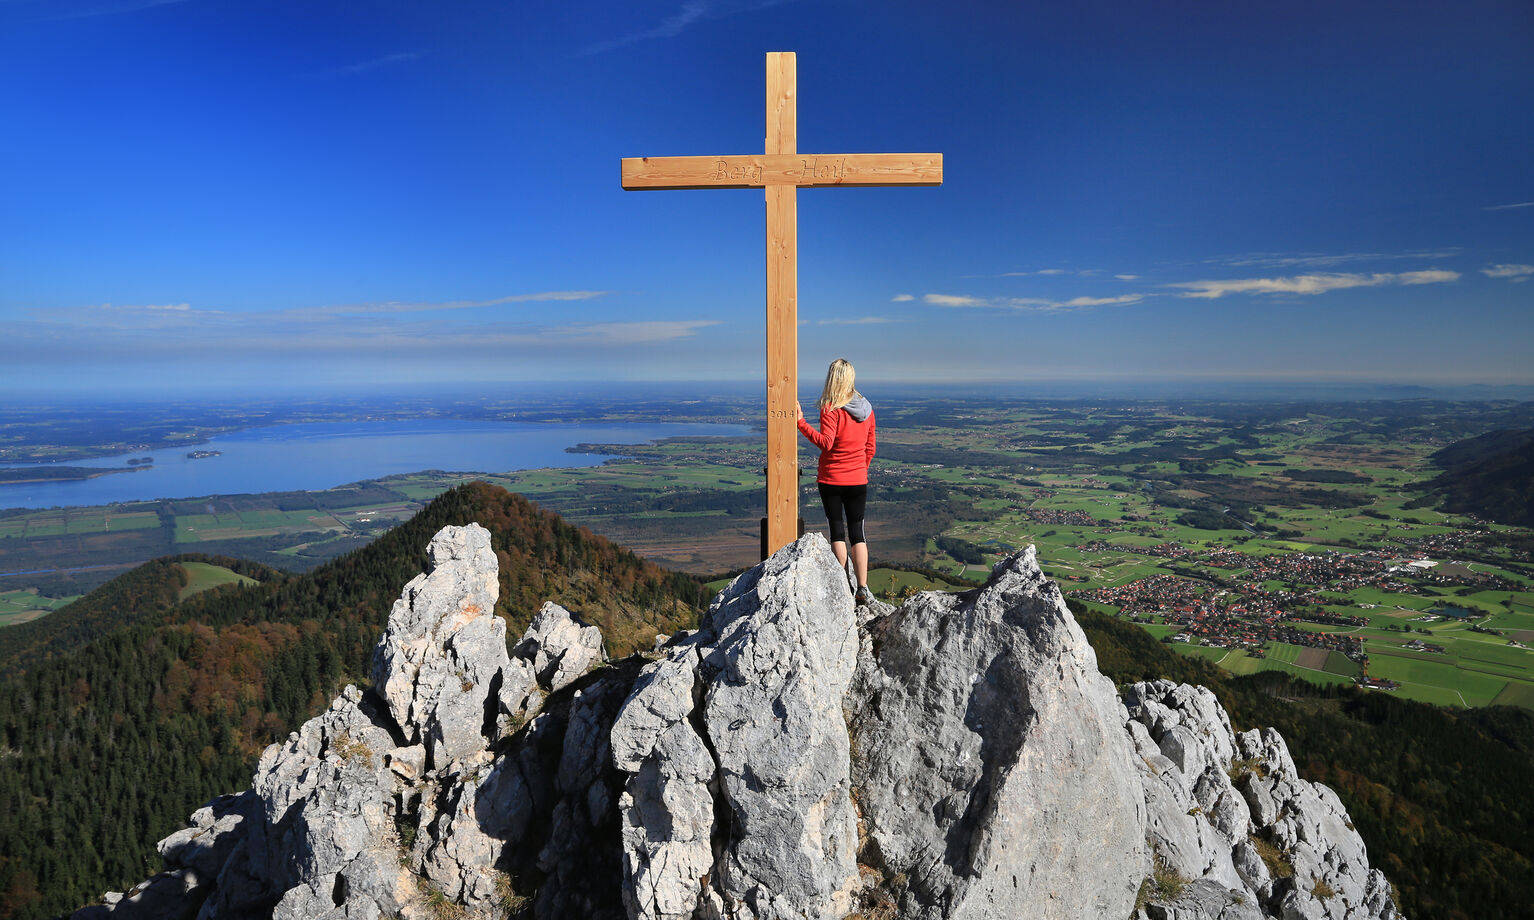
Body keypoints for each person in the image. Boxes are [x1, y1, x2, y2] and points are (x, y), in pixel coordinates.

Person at [795, 358, 876, 605]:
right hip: (857, 479)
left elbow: (827, 443)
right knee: (858, 533)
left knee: (837, 531)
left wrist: (800, 423)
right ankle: (862, 587)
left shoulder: (830, 407)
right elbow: (870, 447)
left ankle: (842, 584)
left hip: (831, 478)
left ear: (832, 378)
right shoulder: (866, 408)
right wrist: (860, 469)